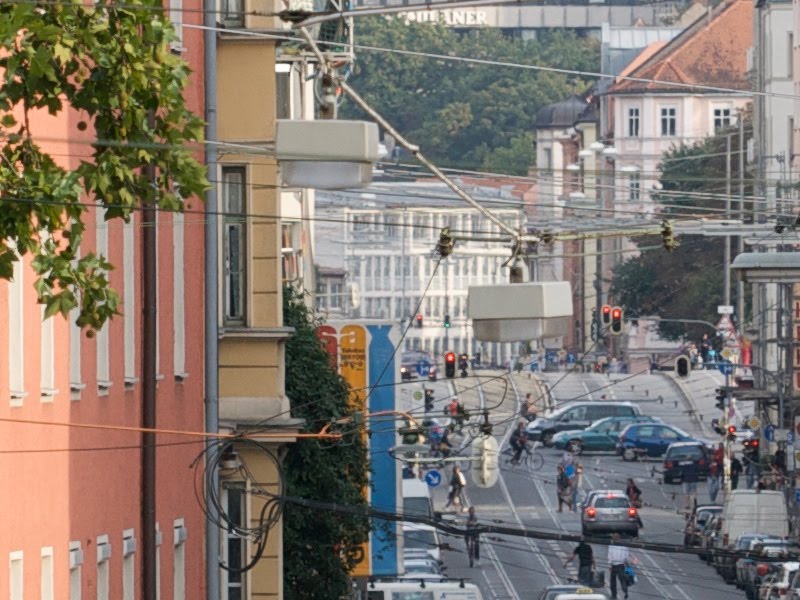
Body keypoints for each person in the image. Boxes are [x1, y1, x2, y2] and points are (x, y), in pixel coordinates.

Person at [608, 534, 633, 600]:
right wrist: (626, 564)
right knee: (622, 580)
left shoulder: (611, 546)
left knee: (613, 581)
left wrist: (609, 565)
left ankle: (614, 595)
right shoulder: (624, 546)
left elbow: (610, 556)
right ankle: (625, 592)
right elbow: (626, 556)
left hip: (614, 565)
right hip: (621, 565)